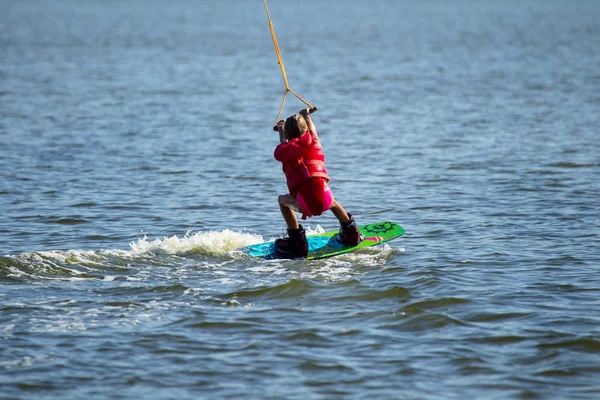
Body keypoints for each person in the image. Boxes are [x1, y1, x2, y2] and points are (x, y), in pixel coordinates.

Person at [273, 107, 363, 258]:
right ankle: (351, 233)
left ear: (288, 135)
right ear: (306, 129)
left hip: (304, 203)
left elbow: (284, 147)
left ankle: (297, 242)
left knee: (282, 200)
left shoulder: (287, 154)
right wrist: (306, 116)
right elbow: (313, 132)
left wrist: (281, 130)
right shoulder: (315, 143)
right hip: (326, 199)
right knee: (332, 201)